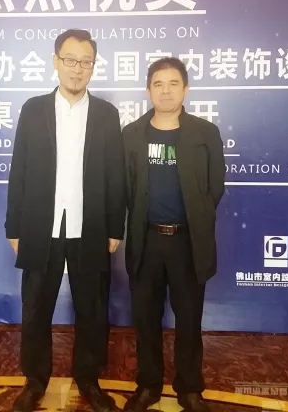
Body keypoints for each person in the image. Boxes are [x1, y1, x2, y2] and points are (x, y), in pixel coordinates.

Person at [5, 29, 126, 412]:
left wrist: (115, 227)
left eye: (85, 62)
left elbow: (116, 175)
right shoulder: (34, 109)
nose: (77, 69)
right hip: (41, 225)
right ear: (55, 61)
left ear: (93, 66)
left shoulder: (106, 114)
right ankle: (35, 381)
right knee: (36, 309)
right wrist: (14, 227)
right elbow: (19, 170)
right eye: (70, 60)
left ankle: (88, 379)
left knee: (93, 309)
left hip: (90, 227)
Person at [121, 57, 226, 412]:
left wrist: (195, 216)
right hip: (147, 240)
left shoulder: (204, 133)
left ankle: (190, 389)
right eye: (158, 84)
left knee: (189, 320)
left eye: (173, 83)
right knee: (145, 319)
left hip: (187, 242)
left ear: (186, 89)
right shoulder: (132, 134)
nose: (165, 91)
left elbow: (215, 187)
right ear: (147, 90)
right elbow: (125, 188)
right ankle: (148, 385)